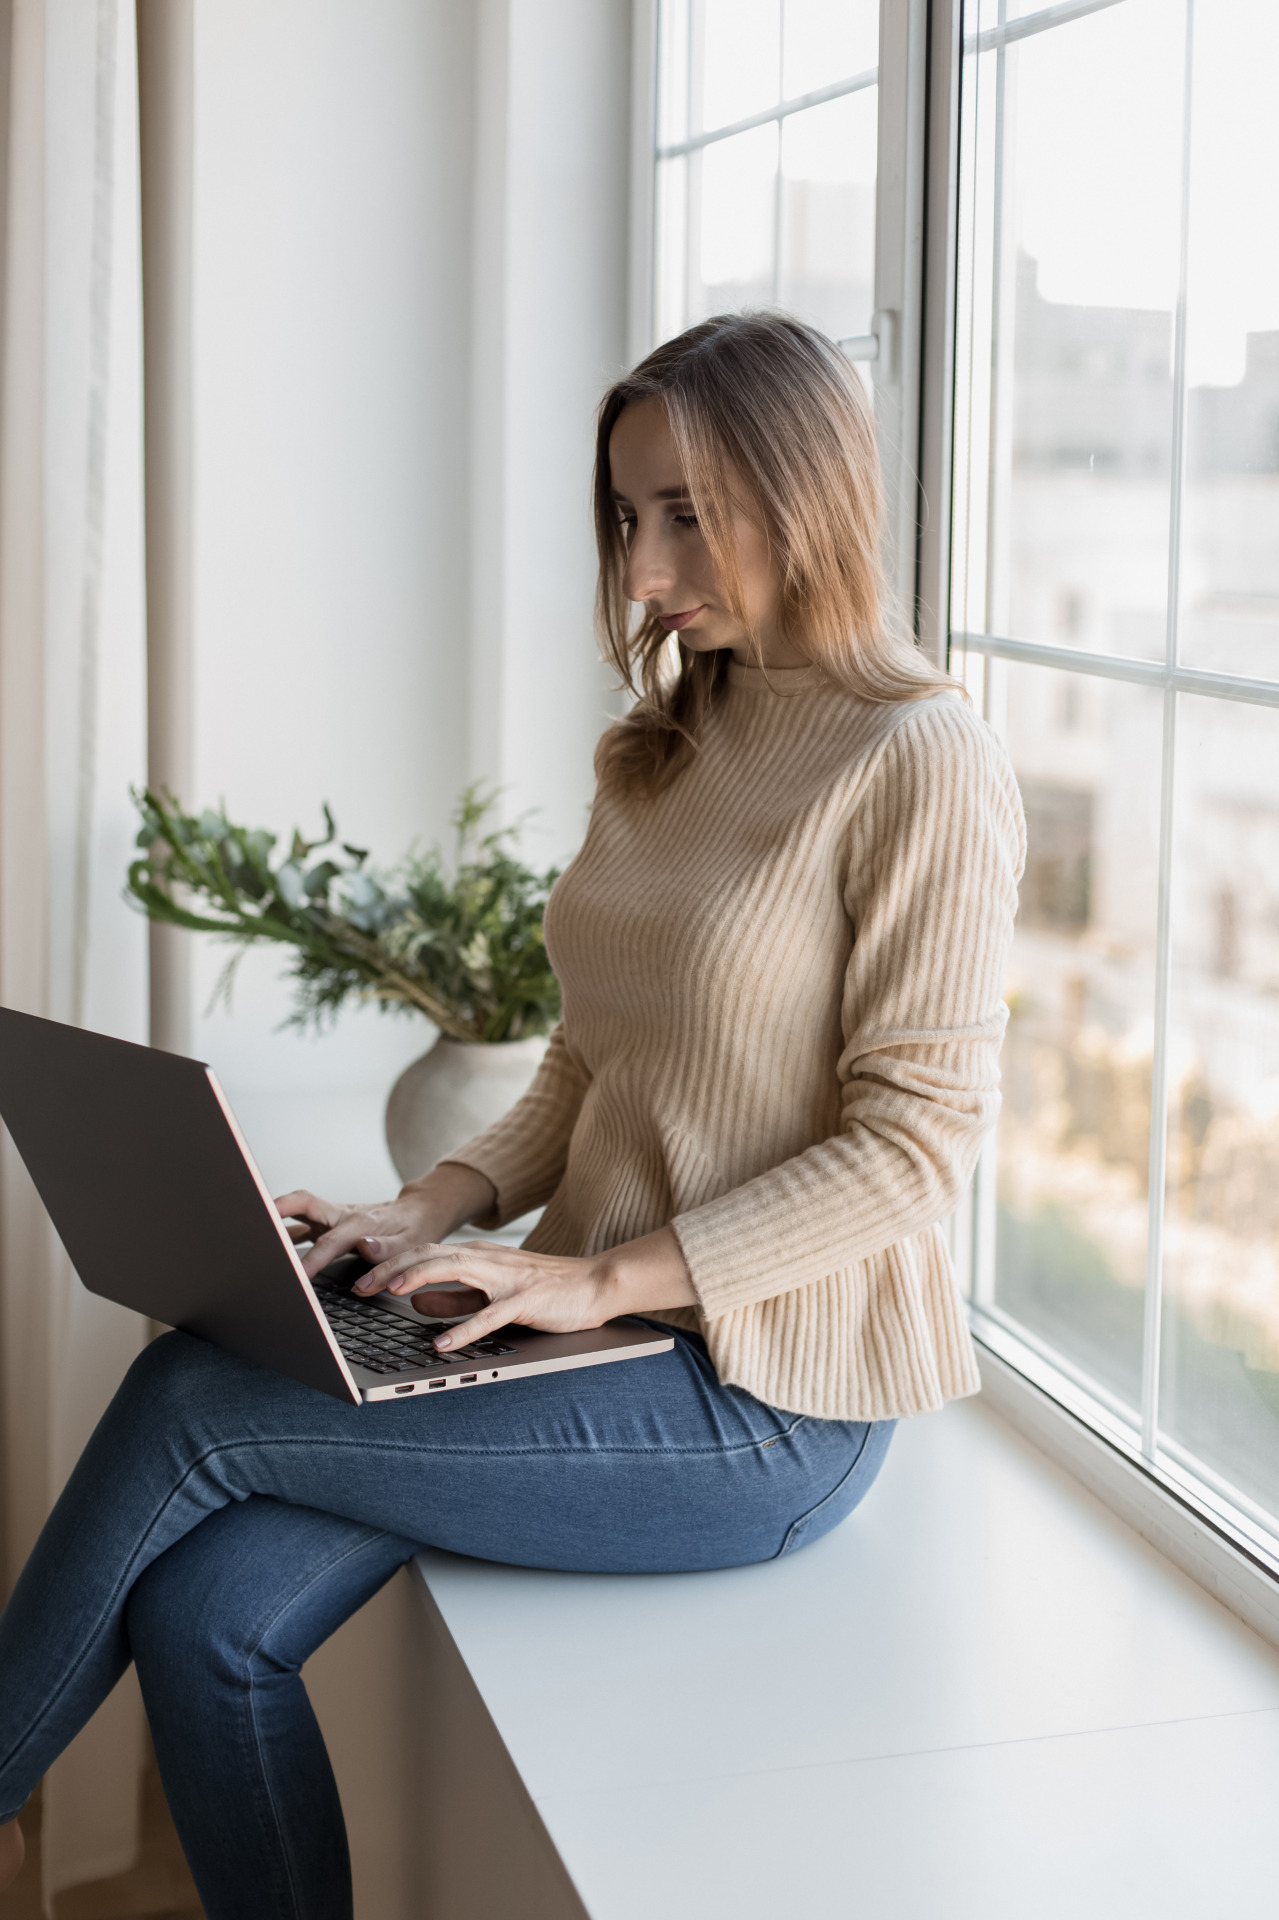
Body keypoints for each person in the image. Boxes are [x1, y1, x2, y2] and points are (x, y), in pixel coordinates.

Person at [0, 311, 1023, 1917]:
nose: (640, 568)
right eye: (627, 517)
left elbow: (915, 1145)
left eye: (684, 513)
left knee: (198, 1397)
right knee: (204, 1620)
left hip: (766, 1401)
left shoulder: (920, 759)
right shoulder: (680, 738)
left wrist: (599, 1280)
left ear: (808, 490)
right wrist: (430, 1209)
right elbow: (594, 1056)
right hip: (584, 1337)